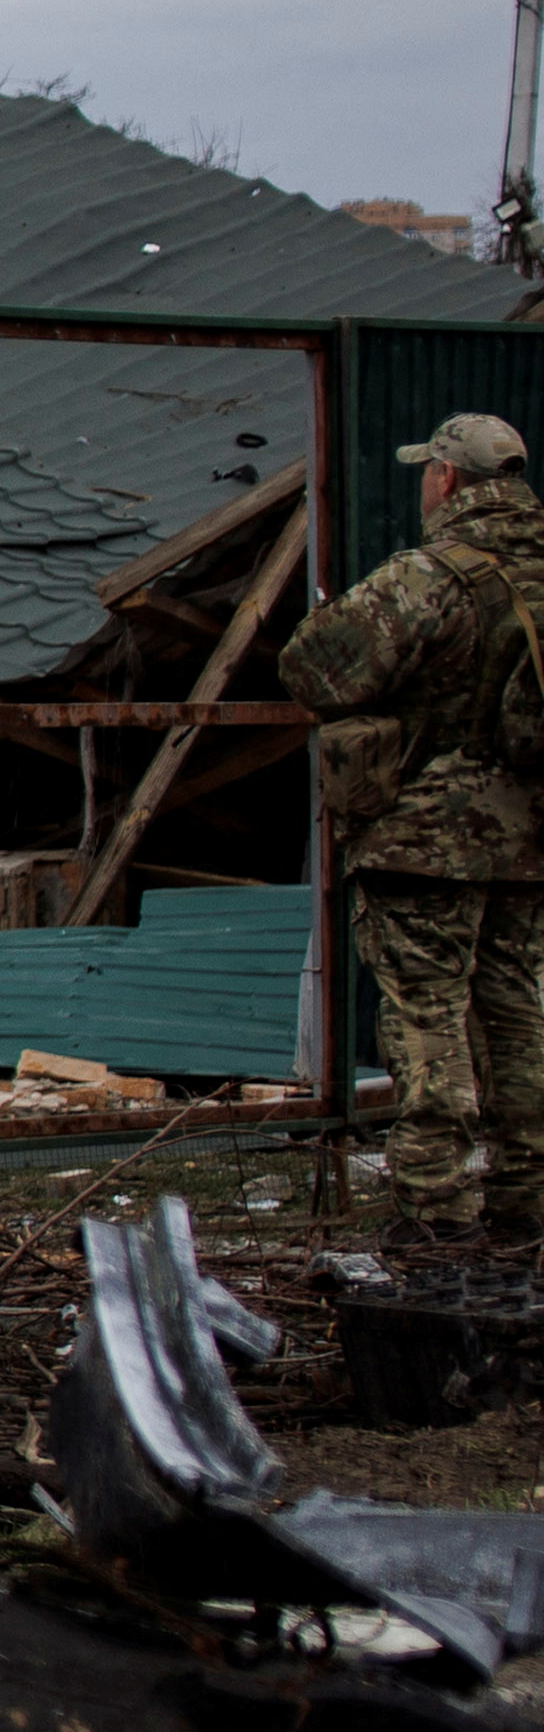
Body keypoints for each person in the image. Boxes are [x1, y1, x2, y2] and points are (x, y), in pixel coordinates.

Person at [281, 405, 544, 1236]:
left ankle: (435, 1206)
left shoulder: (434, 574)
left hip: (427, 839)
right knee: (516, 1010)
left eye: (430, 473)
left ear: (449, 478)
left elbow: (315, 667)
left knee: (429, 1015)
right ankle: (526, 1199)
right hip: (530, 838)